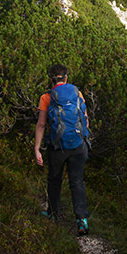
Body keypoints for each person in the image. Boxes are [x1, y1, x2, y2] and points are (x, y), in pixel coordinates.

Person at [34, 63, 91, 235]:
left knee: (54, 180)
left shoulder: (46, 97)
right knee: (77, 181)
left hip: (57, 147)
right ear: (66, 78)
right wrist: (83, 139)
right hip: (79, 146)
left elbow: (41, 124)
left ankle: (53, 214)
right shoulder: (77, 93)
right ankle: (82, 220)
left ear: (50, 79)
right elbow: (85, 118)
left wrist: (37, 148)